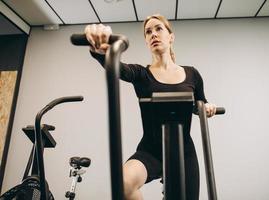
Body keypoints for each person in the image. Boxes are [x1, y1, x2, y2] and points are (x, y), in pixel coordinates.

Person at [84, 14, 217, 200]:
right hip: (151, 149)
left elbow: (199, 104)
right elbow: (117, 67)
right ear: (146, 41)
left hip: (184, 151)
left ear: (171, 37)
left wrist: (207, 107)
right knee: (123, 183)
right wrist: (100, 51)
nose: (153, 34)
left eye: (158, 29)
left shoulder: (192, 74)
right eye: (148, 32)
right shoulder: (141, 74)